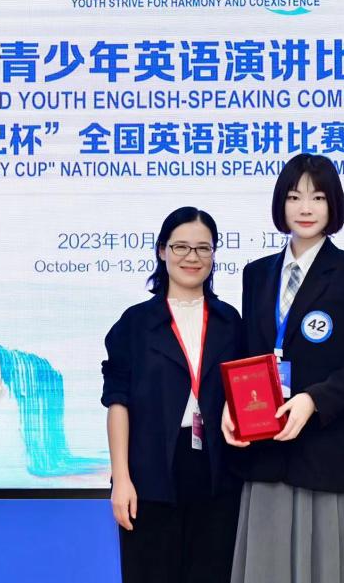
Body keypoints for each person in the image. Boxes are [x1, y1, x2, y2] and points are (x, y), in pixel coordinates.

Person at [222, 154, 344, 583]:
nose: (305, 208)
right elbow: (249, 355)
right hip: (265, 449)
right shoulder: (257, 274)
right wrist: (230, 405)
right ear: (281, 204)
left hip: (326, 451)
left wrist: (314, 400)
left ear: (334, 205)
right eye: (294, 197)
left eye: (318, 197)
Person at [102, 206, 244, 583]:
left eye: (203, 248)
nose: (191, 257)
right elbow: (118, 402)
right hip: (150, 473)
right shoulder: (135, 323)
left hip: (218, 471)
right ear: (162, 251)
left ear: (214, 255)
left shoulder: (231, 322)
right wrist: (121, 479)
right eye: (180, 247)